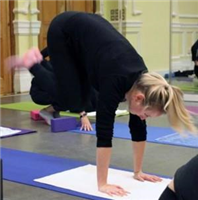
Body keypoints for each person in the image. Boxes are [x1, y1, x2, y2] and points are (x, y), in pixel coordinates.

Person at [6, 12, 197, 197]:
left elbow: (138, 128)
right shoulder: (116, 80)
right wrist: (102, 184)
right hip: (65, 30)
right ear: (138, 98)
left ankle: (39, 59)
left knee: (86, 100)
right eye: (146, 115)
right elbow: (104, 132)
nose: (142, 118)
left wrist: (138, 172)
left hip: (86, 40)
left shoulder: (143, 83)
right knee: (72, 101)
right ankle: (32, 63)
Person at [30, 47, 98, 130]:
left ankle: (55, 109)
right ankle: (47, 111)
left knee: (92, 99)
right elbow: (71, 90)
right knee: (69, 96)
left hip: (57, 86)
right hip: (41, 92)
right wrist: (82, 115)